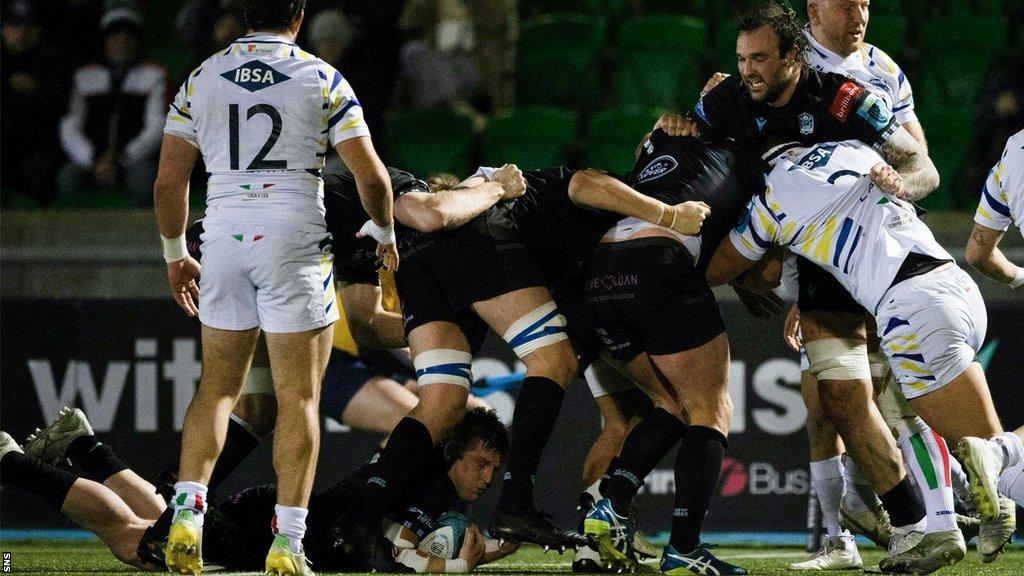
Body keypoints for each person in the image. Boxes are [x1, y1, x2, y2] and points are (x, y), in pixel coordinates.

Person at [667, 1, 946, 568]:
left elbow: (924, 166)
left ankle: (968, 498)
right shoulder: (726, 99)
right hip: (801, 254)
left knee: (906, 398)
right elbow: (685, 139)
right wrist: (672, 126)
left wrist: (903, 182)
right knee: (840, 400)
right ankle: (916, 523)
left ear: (794, 56)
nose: (749, 71)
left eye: (762, 59)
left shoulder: (845, 97)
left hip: (872, 250)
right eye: (742, 59)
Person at [152, 0, 398, 573]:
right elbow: (372, 176)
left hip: (225, 232)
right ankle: (287, 542)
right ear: (300, 14)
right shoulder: (322, 76)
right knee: (299, 400)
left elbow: (169, 182)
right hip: (294, 234)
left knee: (216, 388)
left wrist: (175, 255)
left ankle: (187, 510)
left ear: (243, 14)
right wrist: (384, 232)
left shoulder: (202, 77)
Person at [706, 136, 1010, 574]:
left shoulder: (773, 199)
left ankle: (970, 511)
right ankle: (951, 519)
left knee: (969, 446)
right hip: (955, 284)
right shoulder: (853, 148)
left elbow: (734, 267)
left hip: (908, 304)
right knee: (943, 428)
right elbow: (921, 166)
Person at [8, 407, 520, 573]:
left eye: (494, 471)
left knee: (165, 517)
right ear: (454, 454)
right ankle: (11, 461)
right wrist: (457, 565)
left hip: (271, 520)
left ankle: (85, 447)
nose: (486, 478)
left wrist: (486, 551)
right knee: (133, 542)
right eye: (480, 464)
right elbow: (393, 552)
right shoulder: (422, 485)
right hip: (267, 530)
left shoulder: (436, 490)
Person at [58, 7, 166, 206]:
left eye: (128, 37)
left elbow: (157, 127)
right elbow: (70, 126)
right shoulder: (84, 77)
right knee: (67, 178)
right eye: (115, 38)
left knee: (145, 181)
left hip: (135, 161)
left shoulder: (154, 76)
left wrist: (122, 159)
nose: (122, 43)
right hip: (90, 160)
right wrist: (93, 159)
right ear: (104, 43)